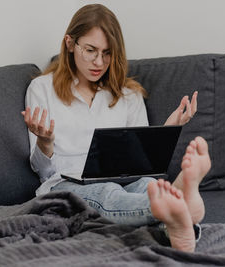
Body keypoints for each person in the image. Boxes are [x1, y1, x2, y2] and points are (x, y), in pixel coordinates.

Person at [21, 4, 211, 253]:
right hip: (62, 186)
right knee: (108, 191)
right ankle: (182, 203)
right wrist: (45, 142)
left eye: (107, 53)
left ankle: (178, 223)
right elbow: (43, 172)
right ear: (70, 43)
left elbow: (143, 164)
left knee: (147, 185)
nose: (99, 62)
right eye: (90, 50)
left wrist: (168, 129)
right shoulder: (42, 89)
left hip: (125, 181)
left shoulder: (128, 94)